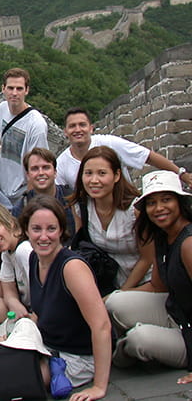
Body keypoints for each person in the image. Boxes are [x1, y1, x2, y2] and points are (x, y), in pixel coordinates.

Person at [21, 195, 112, 400]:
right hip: (48, 346)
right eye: (36, 229)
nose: (44, 237)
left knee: (17, 379)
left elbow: (102, 326)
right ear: (26, 230)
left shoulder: (72, 268)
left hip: (77, 356)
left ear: (61, 230)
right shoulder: (34, 257)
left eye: (51, 229)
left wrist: (99, 387)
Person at [105, 171, 192, 384]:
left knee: (139, 339)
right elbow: (157, 286)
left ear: (180, 202)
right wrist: (108, 298)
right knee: (116, 301)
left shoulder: (188, 243)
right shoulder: (163, 235)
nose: (159, 208)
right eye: (152, 203)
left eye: (166, 200)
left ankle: (121, 354)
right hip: (176, 312)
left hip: (189, 335)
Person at [69, 146, 153, 290]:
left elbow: (148, 258)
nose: (94, 180)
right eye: (88, 173)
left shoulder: (135, 210)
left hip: (143, 281)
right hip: (107, 280)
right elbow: (81, 247)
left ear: (116, 175)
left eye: (102, 173)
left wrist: (122, 292)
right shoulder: (81, 207)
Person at [56, 107, 192, 190]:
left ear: (91, 128)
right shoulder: (61, 163)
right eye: (72, 126)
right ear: (65, 132)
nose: (78, 130)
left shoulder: (109, 143)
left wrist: (181, 174)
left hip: (125, 210)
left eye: (82, 125)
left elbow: (147, 156)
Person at [0, 67, 49, 205]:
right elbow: (7, 137)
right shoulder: (1, 109)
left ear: (27, 90)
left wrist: (30, 202)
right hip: (0, 188)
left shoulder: (36, 125)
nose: (14, 93)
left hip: (21, 194)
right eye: (10, 88)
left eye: (19, 89)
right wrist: (0, 149)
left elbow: (38, 167)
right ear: (3, 89)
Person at [12, 147, 75, 235]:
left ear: (55, 172)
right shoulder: (20, 209)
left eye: (46, 167)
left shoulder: (72, 199)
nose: (41, 173)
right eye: (35, 169)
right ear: (28, 175)